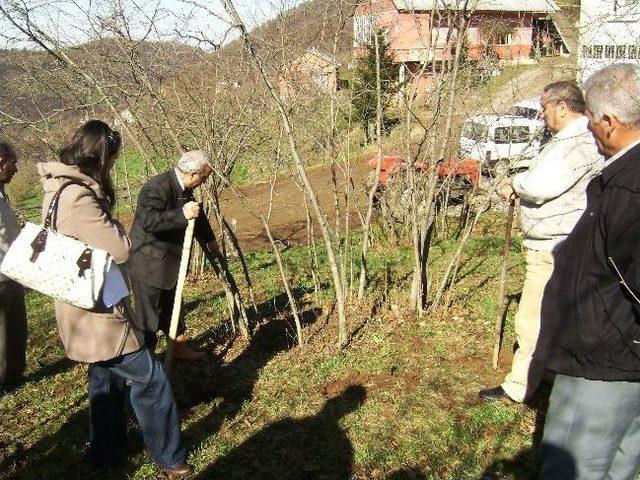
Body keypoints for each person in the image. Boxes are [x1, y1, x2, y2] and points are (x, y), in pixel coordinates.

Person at [38, 120, 191, 477]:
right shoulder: (78, 195)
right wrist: (115, 223)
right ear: (101, 156)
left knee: (103, 379)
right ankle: (171, 459)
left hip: (81, 307)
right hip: (98, 313)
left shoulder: (57, 187)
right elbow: (121, 248)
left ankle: (106, 450)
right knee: (150, 381)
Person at [537, 63, 640, 479]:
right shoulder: (625, 177)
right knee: (623, 466)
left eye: (593, 123)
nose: (590, 132)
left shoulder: (632, 189)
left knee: (575, 467)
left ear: (610, 122)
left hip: (605, 361)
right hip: (619, 355)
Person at [478, 81, 603, 403]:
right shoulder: (570, 139)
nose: (543, 114)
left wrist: (515, 183)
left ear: (562, 107)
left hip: (555, 245)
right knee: (556, 314)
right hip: (558, 242)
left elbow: (540, 184)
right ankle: (551, 373)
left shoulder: (577, 141)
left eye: (545, 107)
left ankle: (521, 387)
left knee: (532, 317)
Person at [128, 150, 217, 359]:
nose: (203, 182)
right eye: (203, 177)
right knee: (148, 318)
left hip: (168, 263)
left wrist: (210, 240)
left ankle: (177, 350)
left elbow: (196, 214)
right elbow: (148, 220)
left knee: (174, 309)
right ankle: (145, 362)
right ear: (192, 173)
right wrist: (181, 215)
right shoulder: (157, 187)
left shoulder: (183, 188)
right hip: (148, 264)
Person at [0, 141, 27, 397]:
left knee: (16, 326)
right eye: (12, 162)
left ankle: (14, 375)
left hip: (12, 271)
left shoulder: (2, 193)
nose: (16, 169)